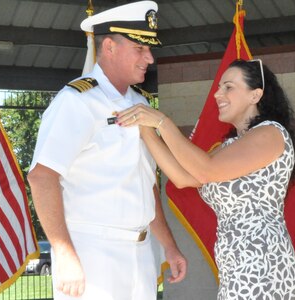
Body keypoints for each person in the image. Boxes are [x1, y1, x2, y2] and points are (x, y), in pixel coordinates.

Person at [27, 1, 186, 299]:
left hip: (141, 251)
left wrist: (168, 245)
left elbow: (145, 183)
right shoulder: (76, 101)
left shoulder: (140, 102)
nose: (149, 58)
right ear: (110, 47)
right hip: (92, 253)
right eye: (140, 49)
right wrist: (64, 253)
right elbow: (42, 177)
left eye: (150, 49)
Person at [116, 59, 295, 299]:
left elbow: (206, 171)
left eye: (228, 87)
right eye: (219, 87)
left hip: (262, 261)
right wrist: (145, 129)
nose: (217, 94)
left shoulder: (271, 132)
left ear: (255, 95)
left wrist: (162, 121)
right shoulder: (231, 145)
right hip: (237, 263)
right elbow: (183, 177)